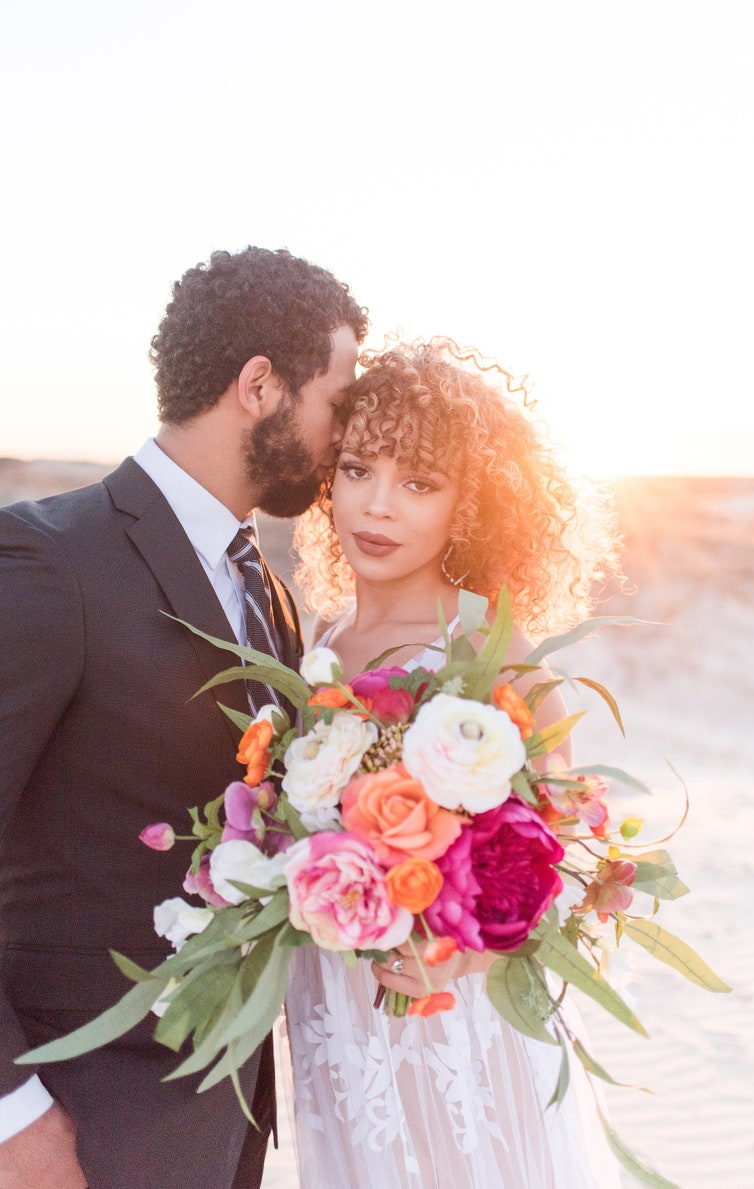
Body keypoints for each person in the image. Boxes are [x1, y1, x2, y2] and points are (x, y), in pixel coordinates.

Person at [0, 246, 367, 1189]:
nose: (342, 433)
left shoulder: (270, 593)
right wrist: (13, 1118)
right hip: (78, 1121)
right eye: (337, 397)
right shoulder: (53, 560)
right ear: (259, 386)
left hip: (223, 1121)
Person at [285, 338, 623, 1187]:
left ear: (469, 507)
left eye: (420, 483)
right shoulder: (312, 649)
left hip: (461, 1026)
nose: (379, 506)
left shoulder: (492, 647)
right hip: (345, 1023)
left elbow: (570, 863)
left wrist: (472, 952)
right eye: (359, 469)